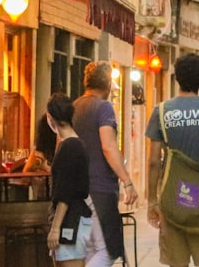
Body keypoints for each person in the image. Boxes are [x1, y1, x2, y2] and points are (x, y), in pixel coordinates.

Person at [146, 53, 199, 267]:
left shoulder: (162, 111)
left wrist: (152, 201)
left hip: (172, 196)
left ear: (177, 78)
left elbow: (154, 161)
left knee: (176, 262)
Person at [73, 62, 139, 267]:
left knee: (91, 248)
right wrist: (127, 181)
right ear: (108, 84)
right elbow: (108, 146)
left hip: (77, 189)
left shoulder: (74, 106)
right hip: (99, 189)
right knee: (108, 251)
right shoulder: (103, 108)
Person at [45, 93, 94, 266]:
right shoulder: (75, 144)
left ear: (51, 118)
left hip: (71, 220)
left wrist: (55, 228)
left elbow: (64, 193)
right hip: (77, 218)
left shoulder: (70, 146)